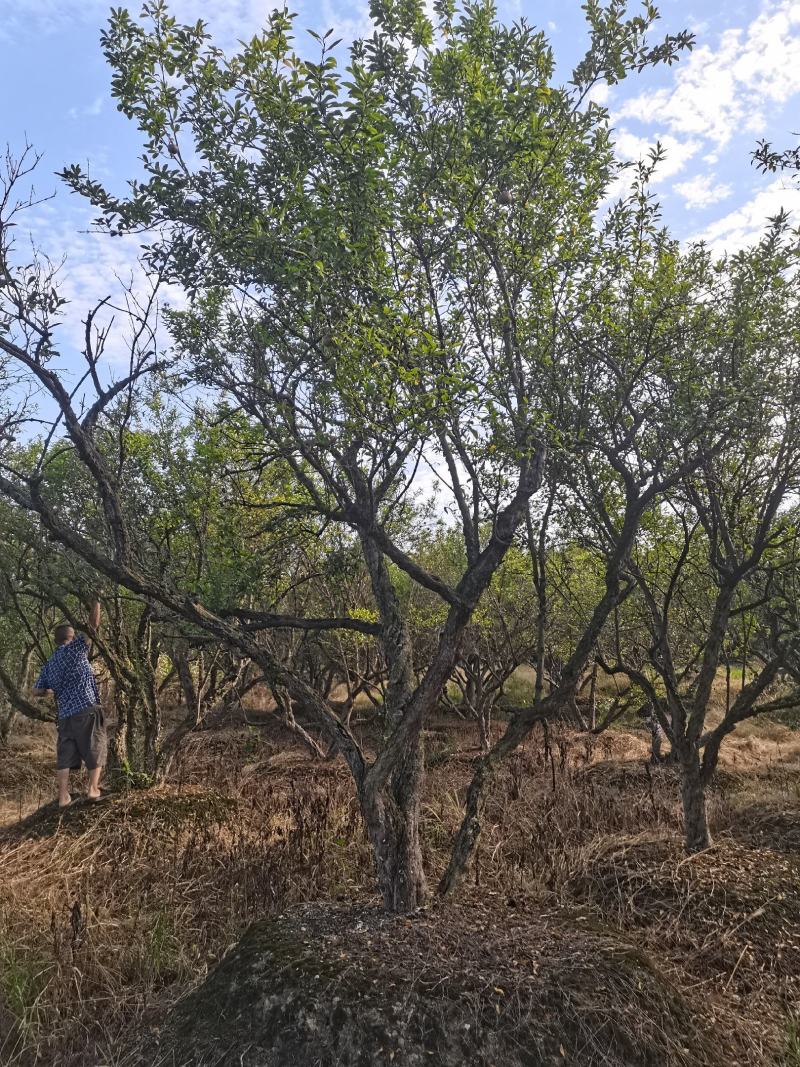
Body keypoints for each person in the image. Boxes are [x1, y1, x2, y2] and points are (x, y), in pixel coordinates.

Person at [32, 599, 107, 807]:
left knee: (65, 755)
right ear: (72, 637)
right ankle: (93, 790)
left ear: (56, 640)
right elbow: (93, 626)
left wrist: (49, 691)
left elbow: (35, 690)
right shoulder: (75, 649)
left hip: (65, 716)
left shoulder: (50, 664)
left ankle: (63, 797)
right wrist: (97, 601)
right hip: (86, 709)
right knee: (94, 747)